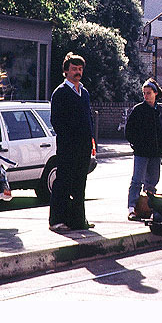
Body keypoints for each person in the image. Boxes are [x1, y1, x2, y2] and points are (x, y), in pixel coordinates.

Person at [49, 52, 95, 232]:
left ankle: (78, 220)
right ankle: (56, 221)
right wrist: (69, 141)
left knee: (79, 184)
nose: (78, 72)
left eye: (80, 69)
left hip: (84, 147)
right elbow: (57, 121)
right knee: (63, 183)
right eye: (74, 69)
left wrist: (92, 140)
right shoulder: (60, 92)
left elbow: (88, 118)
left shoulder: (84, 92)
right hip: (68, 148)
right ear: (66, 71)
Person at [125, 78, 162, 221]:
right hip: (142, 152)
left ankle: (149, 207)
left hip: (156, 154)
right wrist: (136, 145)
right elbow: (129, 131)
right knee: (136, 181)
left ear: (156, 94)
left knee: (152, 182)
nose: (146, 96)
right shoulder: (138, 110)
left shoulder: (160, 111)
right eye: (144, 93)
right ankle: (132, 208)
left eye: (149, 93)